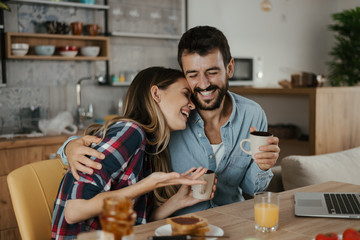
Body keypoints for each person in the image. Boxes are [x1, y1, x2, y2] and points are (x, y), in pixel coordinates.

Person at [58, 26, 280, 216]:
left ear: (229, 68)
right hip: (178, 228)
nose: (203, 84)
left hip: (231, 220)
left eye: (212, 72)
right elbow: (118, 138)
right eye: (193, 75)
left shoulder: (253, 114)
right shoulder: (174, 117)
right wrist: (69, 146)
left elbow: (252, 188)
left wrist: (263, 166)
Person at [51, 67, 216, 240]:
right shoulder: (131, 131)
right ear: (156, 94)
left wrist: (178, 201)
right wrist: (147, 184)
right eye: (185, 94)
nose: (192, 104)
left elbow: (141, 223)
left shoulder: (150, 147)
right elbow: (74, 211)